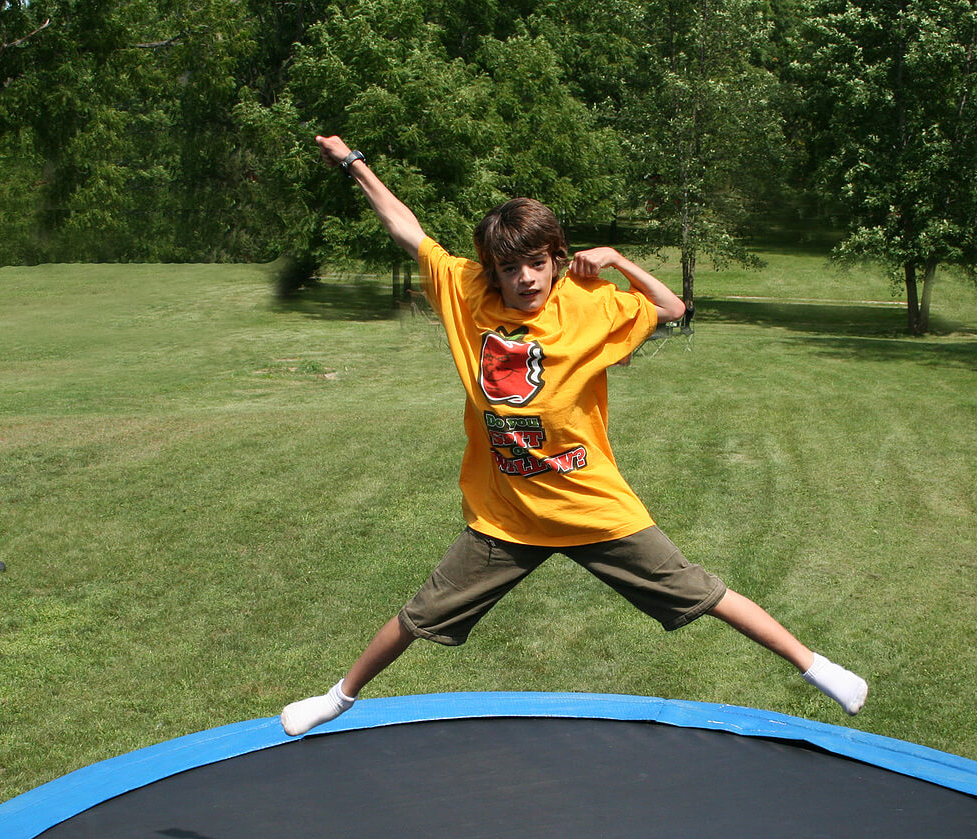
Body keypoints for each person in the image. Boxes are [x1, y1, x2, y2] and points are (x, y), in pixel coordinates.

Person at [280, 135, 867, 736]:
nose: (526, 279)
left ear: (557, 259)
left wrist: (616, 260)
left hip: (592, 506)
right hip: (507, 517)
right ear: (492, 271)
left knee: (703, 591)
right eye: (510, 269)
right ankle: (339, 697)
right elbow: (405, 227)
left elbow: (672, 309)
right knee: (419, 614)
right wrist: (354, 164)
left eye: (537, 264)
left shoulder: (591, 305)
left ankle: (816, 666)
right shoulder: (466, 294)